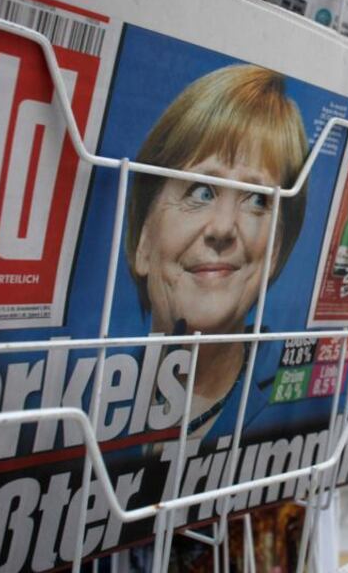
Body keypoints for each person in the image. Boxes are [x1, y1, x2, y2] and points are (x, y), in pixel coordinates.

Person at [124, 63, 309, 438]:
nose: (223, 228)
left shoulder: (306, 398)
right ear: (143, 239)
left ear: (274, 251)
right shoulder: (70, 410)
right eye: (201, 192)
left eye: (257, 199)